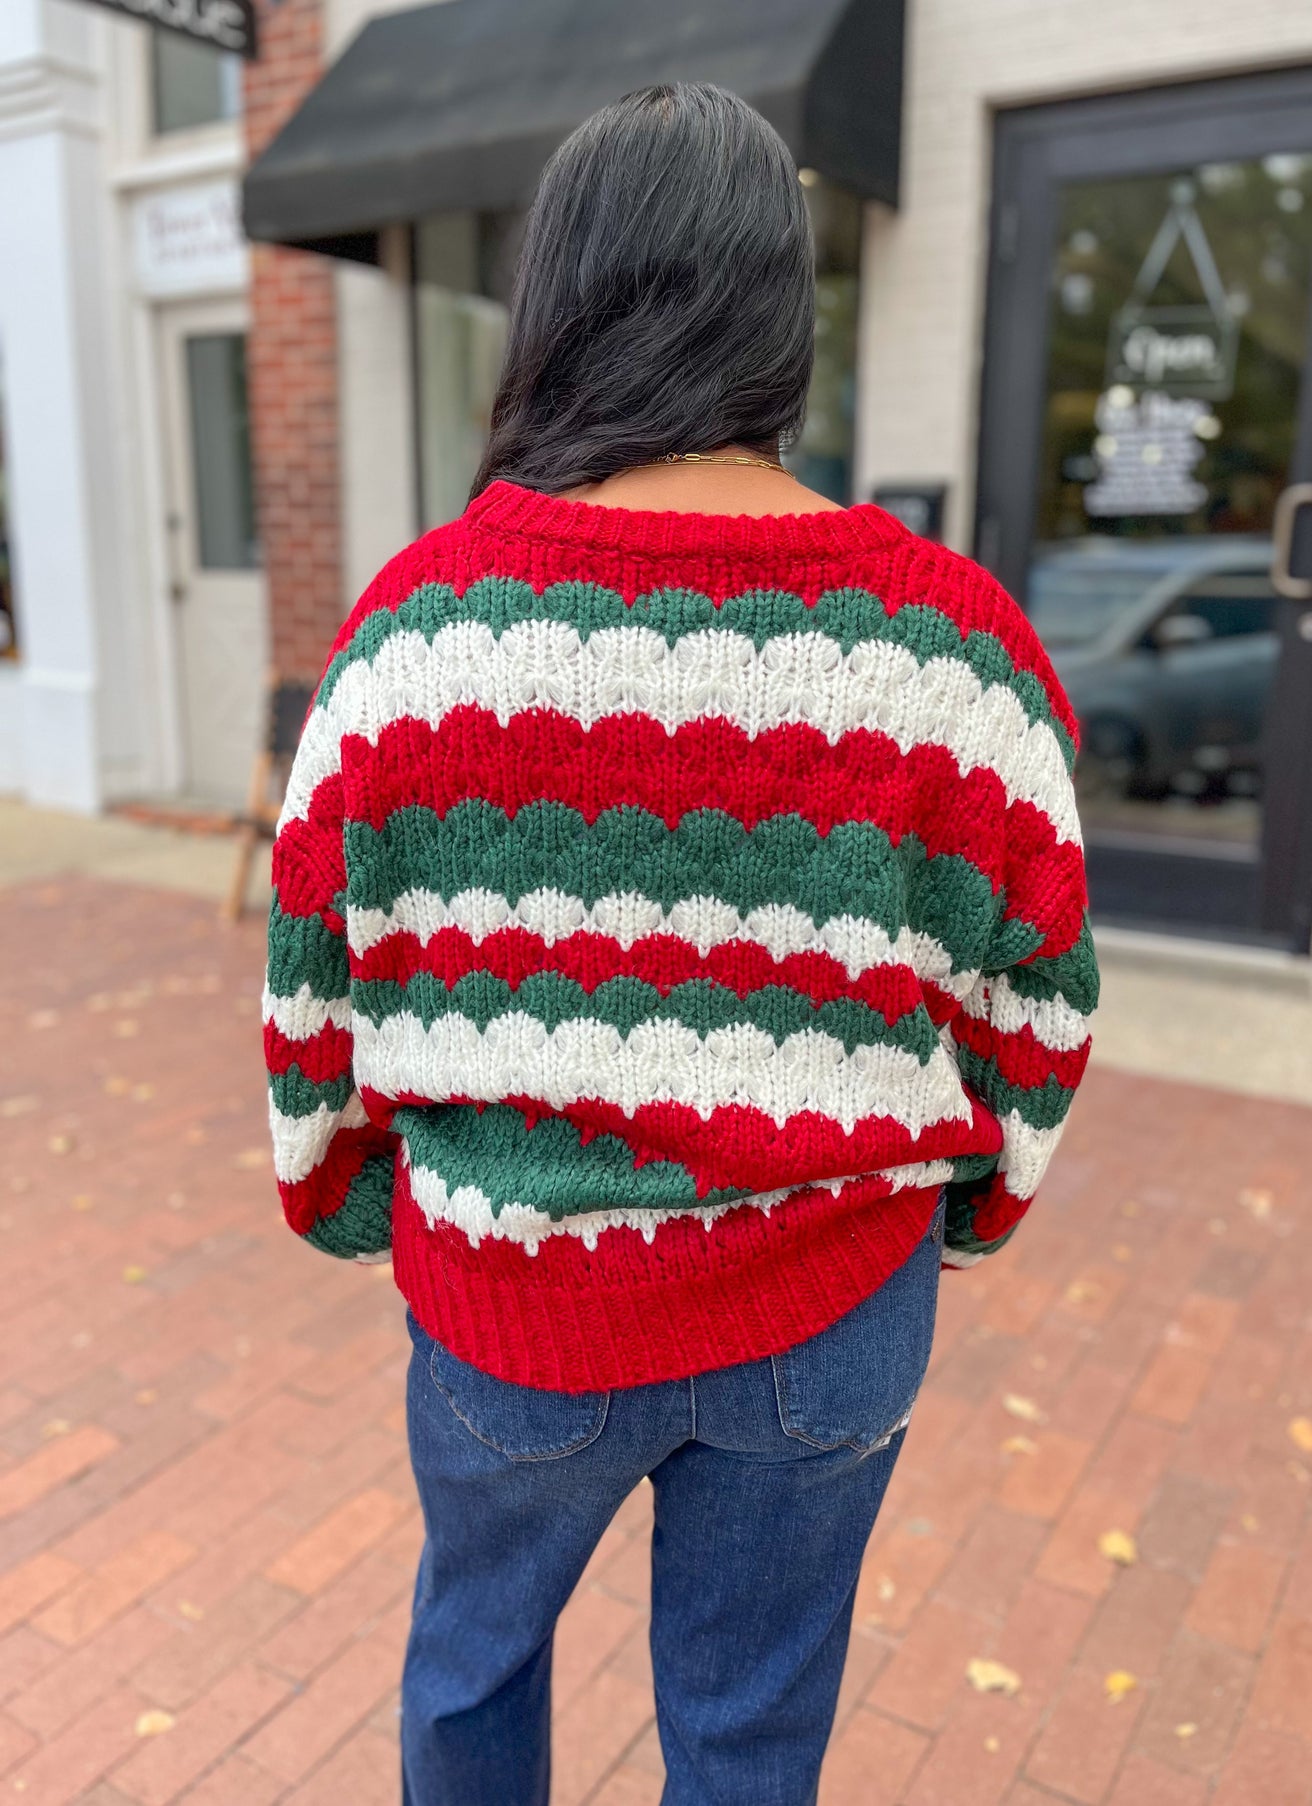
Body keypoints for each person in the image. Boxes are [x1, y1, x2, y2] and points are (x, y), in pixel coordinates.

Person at [263, 80, 1097, 1806]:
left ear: (556, 300)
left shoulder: (415, 634)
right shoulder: (951, 651)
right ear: (778, 312)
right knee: (747, 1734)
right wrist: (977, 1210)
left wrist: (353, 1201)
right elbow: (1041, 999)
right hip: (832, 1297)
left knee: (472, 1673)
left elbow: (311, 990)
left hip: (512, 1301)